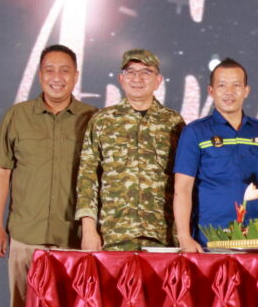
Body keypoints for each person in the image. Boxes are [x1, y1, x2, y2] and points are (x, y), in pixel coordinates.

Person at [0, 44, 96, 307]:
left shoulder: (92, 119)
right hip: (25, 235)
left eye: (65, 70)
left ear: (76, 76)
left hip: (73, 240)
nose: (57, 77)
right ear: (39, 75)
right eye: (50, 69)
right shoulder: (17, 116)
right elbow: (1, 173)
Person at [173, 58, 258, 252]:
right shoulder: (195, 132)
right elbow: (182, 189)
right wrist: (184, 238)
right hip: (208, 240)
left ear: (246, 90)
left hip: (255, 239)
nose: (229, 92)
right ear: (211, 91)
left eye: (236, 85)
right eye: (222, 85)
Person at [75, 49, 184, 251]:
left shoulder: (173, 122)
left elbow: (185, 182)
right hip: (113, 236)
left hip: (162, 237)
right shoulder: (102, 121)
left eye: (146, 72)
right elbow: (87, 178)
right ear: (121, 79)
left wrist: (184, 234)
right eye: (131, 72)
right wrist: (89, 231)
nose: (137, 78)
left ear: (158, 80)